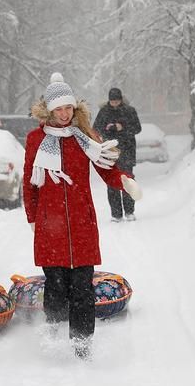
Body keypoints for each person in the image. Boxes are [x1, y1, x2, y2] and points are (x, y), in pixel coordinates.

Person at [23, 73, 142, 359]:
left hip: (81, 223)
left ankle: (81, 344)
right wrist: (32, 216)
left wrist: (123, 180)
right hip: (50, 225)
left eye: (68, 108)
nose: (64, 114)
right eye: (59, 109)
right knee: (55, 287)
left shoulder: (85, 137)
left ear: (74, 109)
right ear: (49, 110)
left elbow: (105, 167)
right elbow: (29, 179)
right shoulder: (35, 139)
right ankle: (52, 332)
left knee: (82, 289)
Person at [93, 87, 143, 222]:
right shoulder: (103, 112)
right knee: (112, 183)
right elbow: (95, 129)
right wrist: (107, 131)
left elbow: (137, 128)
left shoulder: (130, 111)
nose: (114, 104)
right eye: (112, 101)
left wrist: (122, 128)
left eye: (116, 101)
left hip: (127, 150)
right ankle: (116, 214)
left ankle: (129, 211)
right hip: (110, 153)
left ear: (121, 100)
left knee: (128, 181)